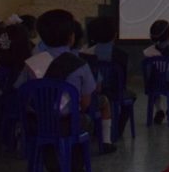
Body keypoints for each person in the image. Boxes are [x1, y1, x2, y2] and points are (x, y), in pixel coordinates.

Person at [25, 9, 116, 160]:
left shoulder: (31, 63)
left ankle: (52, 166)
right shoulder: (80, 65)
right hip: (68, 123)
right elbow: (86, 103)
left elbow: (23, 91)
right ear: (71, 37)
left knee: (48, 128)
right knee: (86, 122)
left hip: (36, 123)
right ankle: (75, 168)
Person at [82, 16, 136, 137]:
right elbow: (127, 76)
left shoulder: (86, 52)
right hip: (115, 92)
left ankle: (96, 128)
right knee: (132, 96)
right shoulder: (121, 55)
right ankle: (117, 129)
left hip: (92, 92)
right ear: (114, 35)